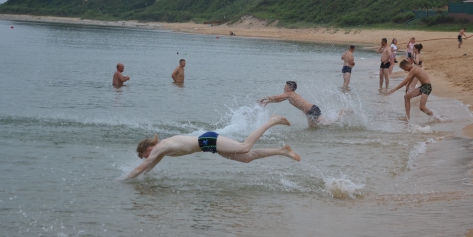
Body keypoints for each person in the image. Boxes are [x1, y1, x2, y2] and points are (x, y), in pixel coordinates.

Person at [120, 115, 301, 180]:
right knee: (246, 158)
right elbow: (148, 168)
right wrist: (141, 180)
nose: (147, 158)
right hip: (207, 145)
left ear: (148, 149)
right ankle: (282, 151)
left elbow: (142, 167)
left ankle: (272, 121)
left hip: (206, 140)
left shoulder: (160, 147)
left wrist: (123, 179)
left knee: (245, 147)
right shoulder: (161, 151)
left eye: (144, 155)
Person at [259, 82, 340, 127]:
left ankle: (340, 116)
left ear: (290, 88)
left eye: (285, 87)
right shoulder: (289, 95)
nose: (284, 88)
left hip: (312, 109)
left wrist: (264, 98)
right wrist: (267, 102)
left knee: (326, 124)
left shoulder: (290, 93)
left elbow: (277, 97)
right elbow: (278, 100)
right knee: (312, 128)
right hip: (309, 112)